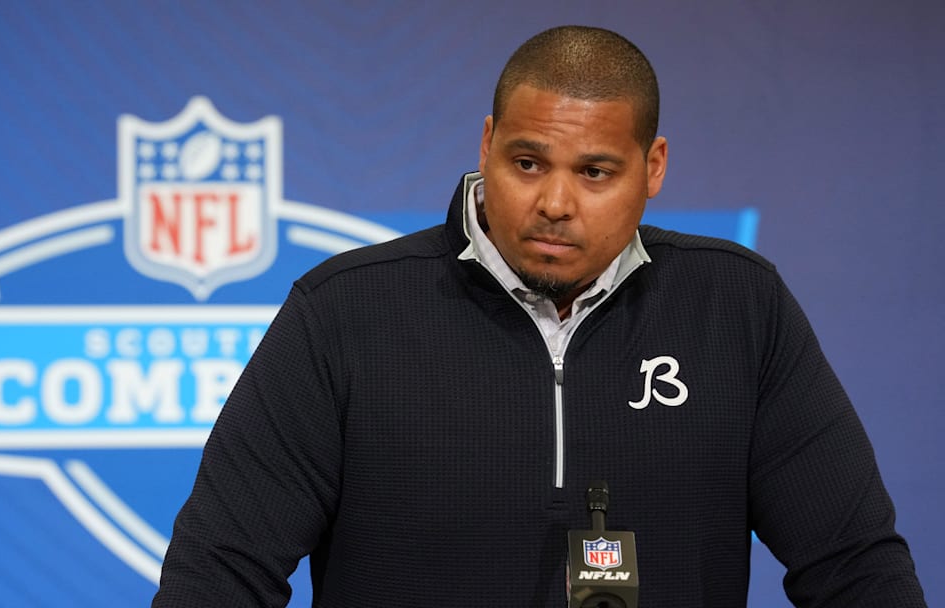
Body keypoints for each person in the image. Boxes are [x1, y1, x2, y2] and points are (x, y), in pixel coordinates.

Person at [153, 26, 925, 607]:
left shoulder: (737, 306)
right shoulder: (345, 312)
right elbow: (219, 573)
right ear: (487, 145)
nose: (555, 202)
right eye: (528, 163)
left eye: (595, 172)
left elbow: (854, 567)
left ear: (653, 167)